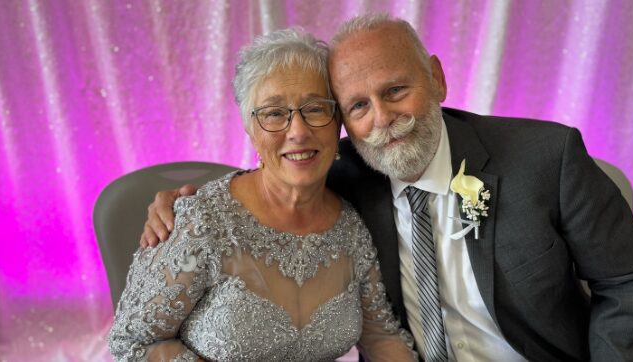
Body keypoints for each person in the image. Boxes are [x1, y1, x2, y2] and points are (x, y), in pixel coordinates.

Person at [142, 14, 633, 362]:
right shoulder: (343, 176)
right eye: (358, 106)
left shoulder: (546, 158)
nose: (383, 119)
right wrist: (184, 205)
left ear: (435, 78)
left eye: (395, 91)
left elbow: (627, 281)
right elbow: (277, 168)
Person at [108, 28, 417, 361]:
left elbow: (381, 335)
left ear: (337, 122)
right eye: (273, 114)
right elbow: (134, 342)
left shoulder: (352, 227)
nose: (298, 131)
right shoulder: (202, 222)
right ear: (250, 130)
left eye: (314, 109)